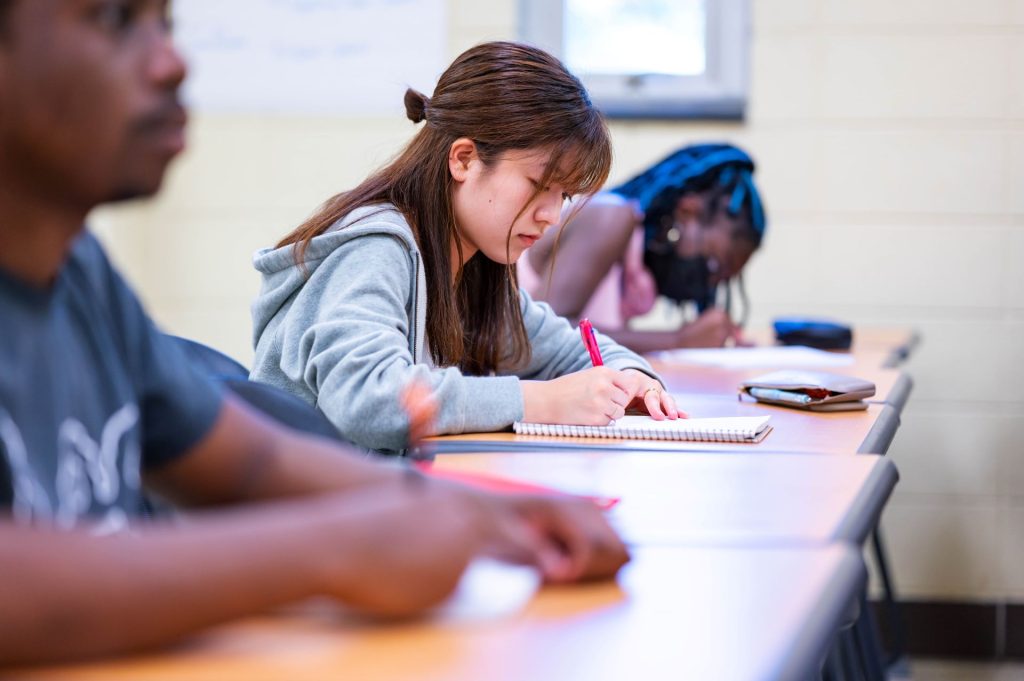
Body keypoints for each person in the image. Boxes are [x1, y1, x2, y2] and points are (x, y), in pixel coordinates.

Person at [0, 1, 628, 666]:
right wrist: (341, 547)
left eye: (167, 24)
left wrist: (497, 519)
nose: (173, 61)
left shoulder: (82, 278)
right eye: (115, 18)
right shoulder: (383, 242)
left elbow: (256, 462)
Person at [251, 41, 682, 454]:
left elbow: (570, 352)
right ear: (463, 160)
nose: (552, 215)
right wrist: (539, 401)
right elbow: (368, 399)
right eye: (538, 185)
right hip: (302, 516)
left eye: (564, 196)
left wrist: (633, 377)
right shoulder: (376, 248)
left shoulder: (473, 263)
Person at [521, 144, 768, 354]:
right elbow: (542, 334)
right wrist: (679, 340)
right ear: (686, 212)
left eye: (722, 280)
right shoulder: (610, 217)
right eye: (713, 263)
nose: (710, 281)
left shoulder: (638, 259)